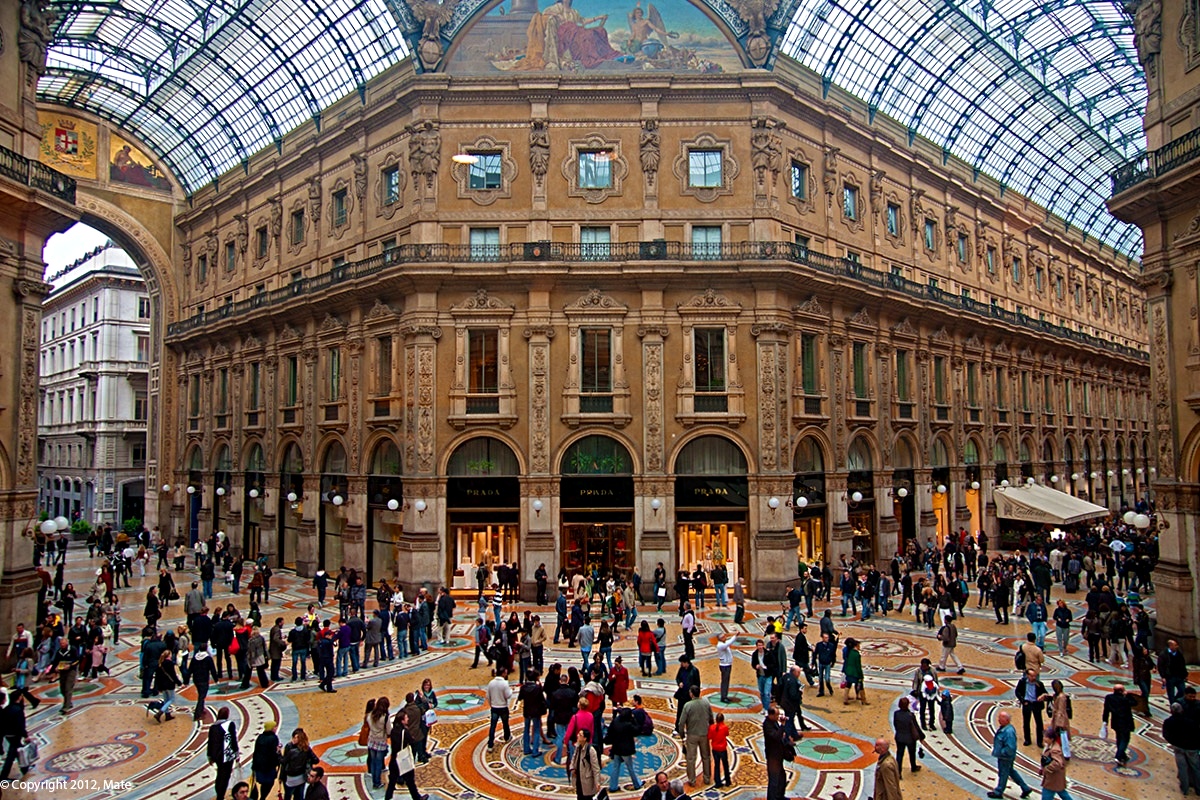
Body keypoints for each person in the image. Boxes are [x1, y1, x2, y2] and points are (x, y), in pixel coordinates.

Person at [988, 710, 1034, 799]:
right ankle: (1025, 788)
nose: (998, 720)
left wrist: (1001, 753)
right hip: (1005, 756)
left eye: (1000, 718)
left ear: (1006, 720)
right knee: (1011, 771)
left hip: (1005, 757)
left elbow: (1010, 747)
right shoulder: (1005, 728)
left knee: (1003, 773)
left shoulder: (1008, 732)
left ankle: (999, 791)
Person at [677, 684, 713, 789]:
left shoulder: (688, 705)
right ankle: (707, 778)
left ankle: (692, 780)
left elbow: (681, 722)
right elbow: (711, 718)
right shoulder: (706, 703)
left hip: (692, 735)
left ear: (691, 694)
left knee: (691, 759)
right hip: (704, 734)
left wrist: (682, 735)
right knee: (706, 757)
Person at [385, 719, 429, 800]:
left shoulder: (393, 731)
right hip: (403, 760)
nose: (408, 719)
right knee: (410, 781)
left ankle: (387, 797)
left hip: (394, 759)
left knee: (392, 781)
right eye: (406, 718)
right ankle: (417, 798)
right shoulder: (404, 732)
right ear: (402, 720)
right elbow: (412, 742)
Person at [1163, 702, 1200, 795]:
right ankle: (1198, 789)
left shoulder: (1168, 722)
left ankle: (1185, 789)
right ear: (1182, 710)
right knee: (1196, 768)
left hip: (1178, 747)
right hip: (1191, 747)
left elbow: (1166, 735)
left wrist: (1173, 742)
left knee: (1182, 767)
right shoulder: (1190, 722)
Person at [606, 705, 643, 791]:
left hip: (616, 748)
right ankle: (637, 784)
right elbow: (637, 730)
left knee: (616, 767)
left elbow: (610, 732)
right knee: (630, 767)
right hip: (625, 750)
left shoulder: (615, 721)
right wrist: (634, 719)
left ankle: (613, 786)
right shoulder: (628, 725)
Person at [207, 707, 240, 800]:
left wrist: (210, 756)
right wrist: (237, 753)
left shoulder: (213, 726)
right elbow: (233, 739)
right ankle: (220, 796)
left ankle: (219, 793)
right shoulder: (229, 724)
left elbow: (210, 742)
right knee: (225, 776)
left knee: (220, 774)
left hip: (216, 755)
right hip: (227, 754)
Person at [280, 727, 319, 800]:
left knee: (288, 796)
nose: (293, 740)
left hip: (291, 778)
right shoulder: (307, 749)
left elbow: (283, 762)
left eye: (295, 738)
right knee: (299, 796)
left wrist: (278, 753)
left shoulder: (290, 749)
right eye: (293, 737)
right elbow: (316, 760)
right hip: (302, 777)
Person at [1102, 683, 1135, 766]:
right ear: (1122, 691)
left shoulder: (1109, 698)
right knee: (1125, 739)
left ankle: (1123, 755)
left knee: (1119, 738)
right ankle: (1119, 756)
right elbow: (1134, 703)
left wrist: (1105, 721)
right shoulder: (1125, 700)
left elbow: (1106, 710)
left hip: (1115, 722)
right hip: (1125, 722)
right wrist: (1128, 695)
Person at [763, 705, 792, 800]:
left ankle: (780, 796)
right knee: (774, 781)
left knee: (781, 778)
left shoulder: (774, 722)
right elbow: (775, 737)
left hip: (778, 755)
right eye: (776, 715)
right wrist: (782, 726)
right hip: (772, 757)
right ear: (771, 715)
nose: (778, 716)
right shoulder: (767, 725)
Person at [1015, 668, 1047, 747]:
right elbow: (1017, 691)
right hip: (1027, 703)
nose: (1034, 678)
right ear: (1027, 675)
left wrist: (1042, 696)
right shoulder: (1022, 682)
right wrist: (1023, 701)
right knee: (1026, 723)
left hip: (1036, 704)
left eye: (1035, 676)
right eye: (1032, 676)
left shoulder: (1039, 684)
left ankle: (1039, 741)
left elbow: (1045, 693)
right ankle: (1027, 739)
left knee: (1039, 723)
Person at [1039, 728, 1074, 800]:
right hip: (1055, 778)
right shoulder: (1049, 746)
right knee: (1062, 792)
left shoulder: (1055, 749)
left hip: (1053, 778)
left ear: (1051, 739)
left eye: (1046, 737)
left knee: (1047, 795)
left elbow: (1058, 763)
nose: (1044, 738)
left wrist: (1047, 769)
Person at [249, 720, 281, 800]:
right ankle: (263, 797)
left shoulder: (260, 737)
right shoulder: (273, 738)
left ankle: (262, 797)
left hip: (259, 766)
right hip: (269, 766)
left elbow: (256, 751)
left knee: (263, 782)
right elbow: (274, 753)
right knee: (269, 783)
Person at [519, 668, 547, 756]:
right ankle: (535, 750)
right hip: (536, 711)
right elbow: (542, 699)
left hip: (527, 710)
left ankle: (526, 749)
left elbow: (520, 698)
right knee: (537, 730)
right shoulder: (537, 688)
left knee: (526, 730)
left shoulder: (523, 687)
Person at [892, 696, 922, 776]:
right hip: (910, 738)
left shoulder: (896, 714)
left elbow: (895, 724)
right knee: (912, 753)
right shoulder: (910, 715)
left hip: (899, 737)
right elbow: (916, 727)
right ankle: (913, 766)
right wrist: (921, 736)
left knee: (899, 754)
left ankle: (898, 772)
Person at [569, 728, 602, 800]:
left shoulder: (591, 750)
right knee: (579, 796)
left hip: (587, 781)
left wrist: (597, 782)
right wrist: (572, 768)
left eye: (580, 735)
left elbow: (596, 768)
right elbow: (574, 758)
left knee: (587, 798)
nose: (577, 735)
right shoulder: (578, 746)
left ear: (585, 738)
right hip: (579, 779)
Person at [487, 667, 513, 748]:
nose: (506, 674)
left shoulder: (491, 683)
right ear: (503, 673)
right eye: (505, 672)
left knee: (493, 726)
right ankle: (507, 737)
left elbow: (488, 696)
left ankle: (490, 744)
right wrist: (511, 690)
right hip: (503, 707)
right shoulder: (505, 683)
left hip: (494, 707)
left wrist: (491, 704)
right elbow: (508, 695)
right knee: (505, 724)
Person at [1160, 639, 1190, 707]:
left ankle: (1176, 701)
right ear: (1170, 646)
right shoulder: (1164, 655)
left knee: (1182, 690)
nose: (1177, 646)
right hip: (1170, 677)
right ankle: (1173, 706)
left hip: (1179, 676)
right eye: (1175, 645)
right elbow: (1161, 666)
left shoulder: (1179, 653)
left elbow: (1182, 664)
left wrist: (1185, 674)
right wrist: (1163, 676)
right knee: (1171, 694)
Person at [153, 648, 181, 722]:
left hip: (162, 684)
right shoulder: (170, 664)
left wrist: (157, 686)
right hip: (169, 684)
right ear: (168, 655)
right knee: (171, 699)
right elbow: (173, 675)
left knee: (166, 700)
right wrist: (178, 682)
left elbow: (157, 677)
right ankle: (160, 712)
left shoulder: (160, 664)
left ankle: (167, 715)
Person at [709, 711, 731, 788]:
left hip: (715, 749)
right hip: (722, 749)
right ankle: (728, 781)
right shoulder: (724, 727)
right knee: (725, 765)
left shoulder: (712, 727)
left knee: (717, 765)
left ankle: (718, 782)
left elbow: (710, 737)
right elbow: (727, 734)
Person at [842, 637, 867, 705]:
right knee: (861, 686)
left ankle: (845, 699)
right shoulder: (856, 654)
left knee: (848, 685)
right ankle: (863, 700)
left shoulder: (849, 652)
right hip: (855, 673)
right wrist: (861, 675)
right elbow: (858, 666)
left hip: (849, 671)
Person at [716, 632, 734, 703]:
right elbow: (729, 642)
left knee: (726, 681)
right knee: (725, 682)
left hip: (727, 665)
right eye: (723, 636)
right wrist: (735, 636)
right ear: (720, 639)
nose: (725, 637)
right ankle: (723, 697)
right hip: (725, 666)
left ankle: (725, 695)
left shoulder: (724, 643)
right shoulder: (721, 645)